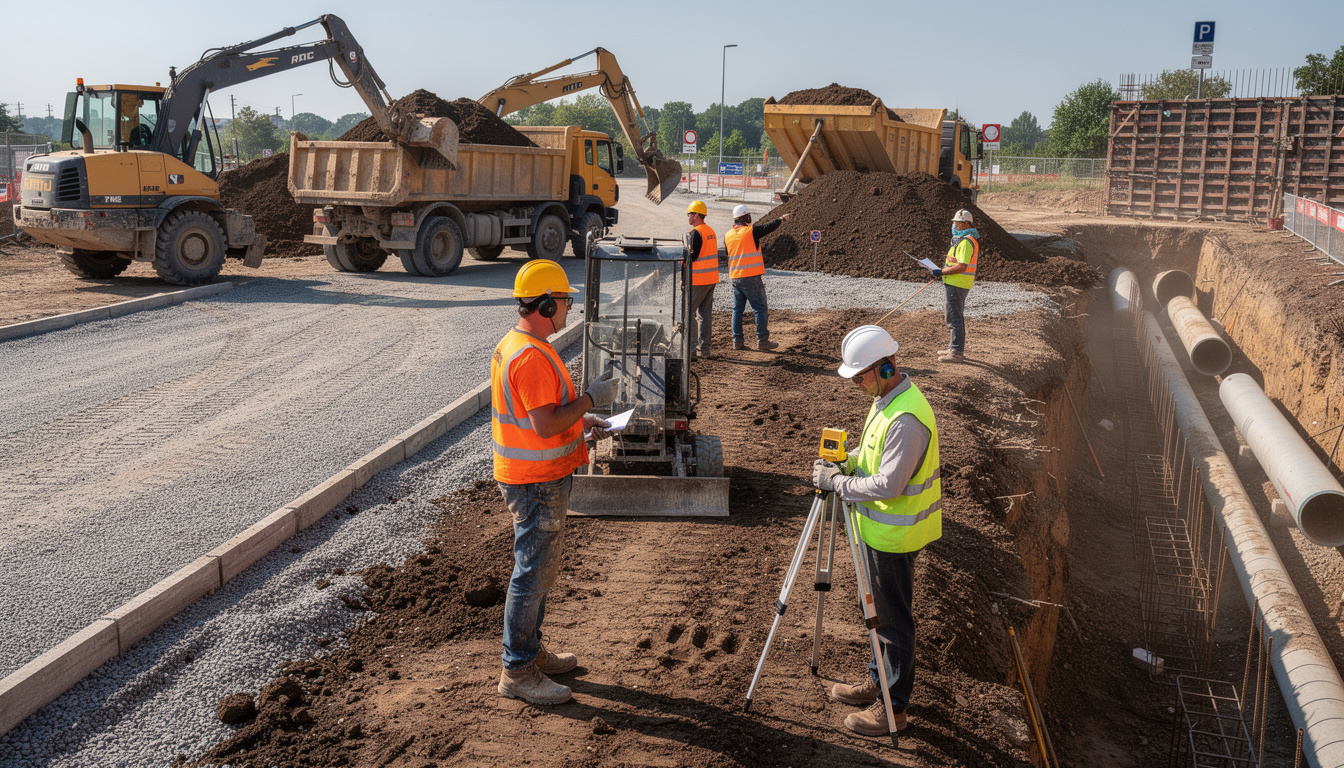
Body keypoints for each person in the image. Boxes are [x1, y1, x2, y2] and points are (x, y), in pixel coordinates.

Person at [491, 259, 619, 706]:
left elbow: (542, 419)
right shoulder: (530, 356)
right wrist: (590, 398)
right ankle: (518, 671)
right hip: (536, 482)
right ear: (546, 304)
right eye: (564, 301)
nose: (568, 308)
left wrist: (581, 426)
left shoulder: (519, 345)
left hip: (534, 477)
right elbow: (544, 426)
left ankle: (530, 651)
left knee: (539, 571)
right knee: (532, 574)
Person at [812, 325, 942, 737]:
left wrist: (838, 483)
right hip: (875, 530)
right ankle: (878, 680)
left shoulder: (907, 419)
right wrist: (847, 462)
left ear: (886, 367)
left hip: (894, 537)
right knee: (876, 612)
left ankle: (893, 708)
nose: (855, 384)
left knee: (892, 622)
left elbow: (889, 484)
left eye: (859, 376)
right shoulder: (886, 400)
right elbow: (873, 454)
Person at [723, 204, 791, 351]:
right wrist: (781, 219)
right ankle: (762, 340)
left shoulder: (728, 235)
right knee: (760, 308)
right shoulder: (750, 231)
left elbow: (728, 253)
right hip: (751, 277)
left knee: (737, 310)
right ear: (744, 217)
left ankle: (737, 341)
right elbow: (768, 227)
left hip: (735, 277)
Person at [930, 209, 978, 362]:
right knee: (955, 316)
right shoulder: (962, 240)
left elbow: (962, 266)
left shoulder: (965, 242)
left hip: (957, 283)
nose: (955, 225)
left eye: (958, 222)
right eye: (955, 222)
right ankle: (954, 348)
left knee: (954, 318)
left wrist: (942, 271)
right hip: (956, 283)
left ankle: (956, 352)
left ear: (966, 224)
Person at [685, 200, 718, 358]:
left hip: (699, 280)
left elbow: (693, 256)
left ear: (696, 215)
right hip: (711, 279)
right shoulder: (710, 231)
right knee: (705, 315)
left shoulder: (695, 233)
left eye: (690, 214)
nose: (688, 217)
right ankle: (704, 350)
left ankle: (691, 350)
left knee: (689, 313)